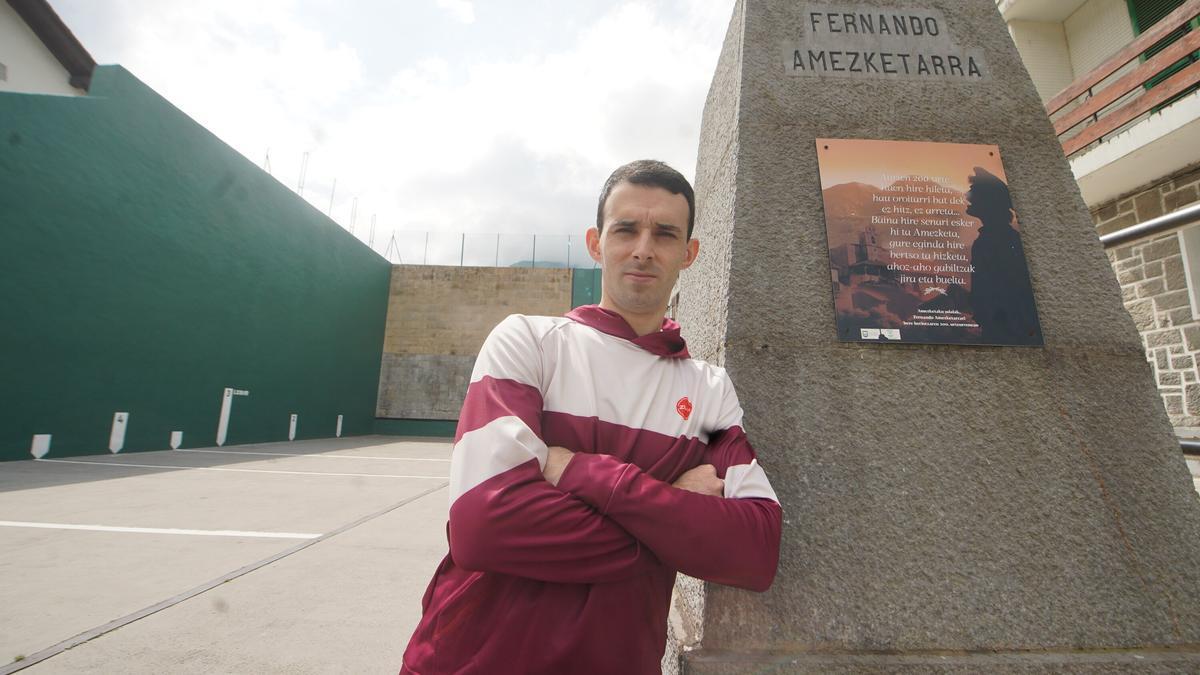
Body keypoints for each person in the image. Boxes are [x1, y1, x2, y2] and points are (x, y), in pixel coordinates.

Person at [400, 160, 783, 674]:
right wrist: (672, 507)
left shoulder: (708, 393)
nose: (644, 248)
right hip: (470, 660)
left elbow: (753, 548)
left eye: (665, 234)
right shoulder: (528, 343)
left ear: (689, 254)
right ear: (596, 243)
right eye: (626, 229)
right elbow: (484, 529)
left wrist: (577, 471)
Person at [965, 166, 1042, 345]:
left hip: (1006, 330)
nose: (968, 196)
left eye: (974, 192)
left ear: (988, 201)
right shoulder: (997, 238)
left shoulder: (995, 241)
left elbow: (1006, 289)